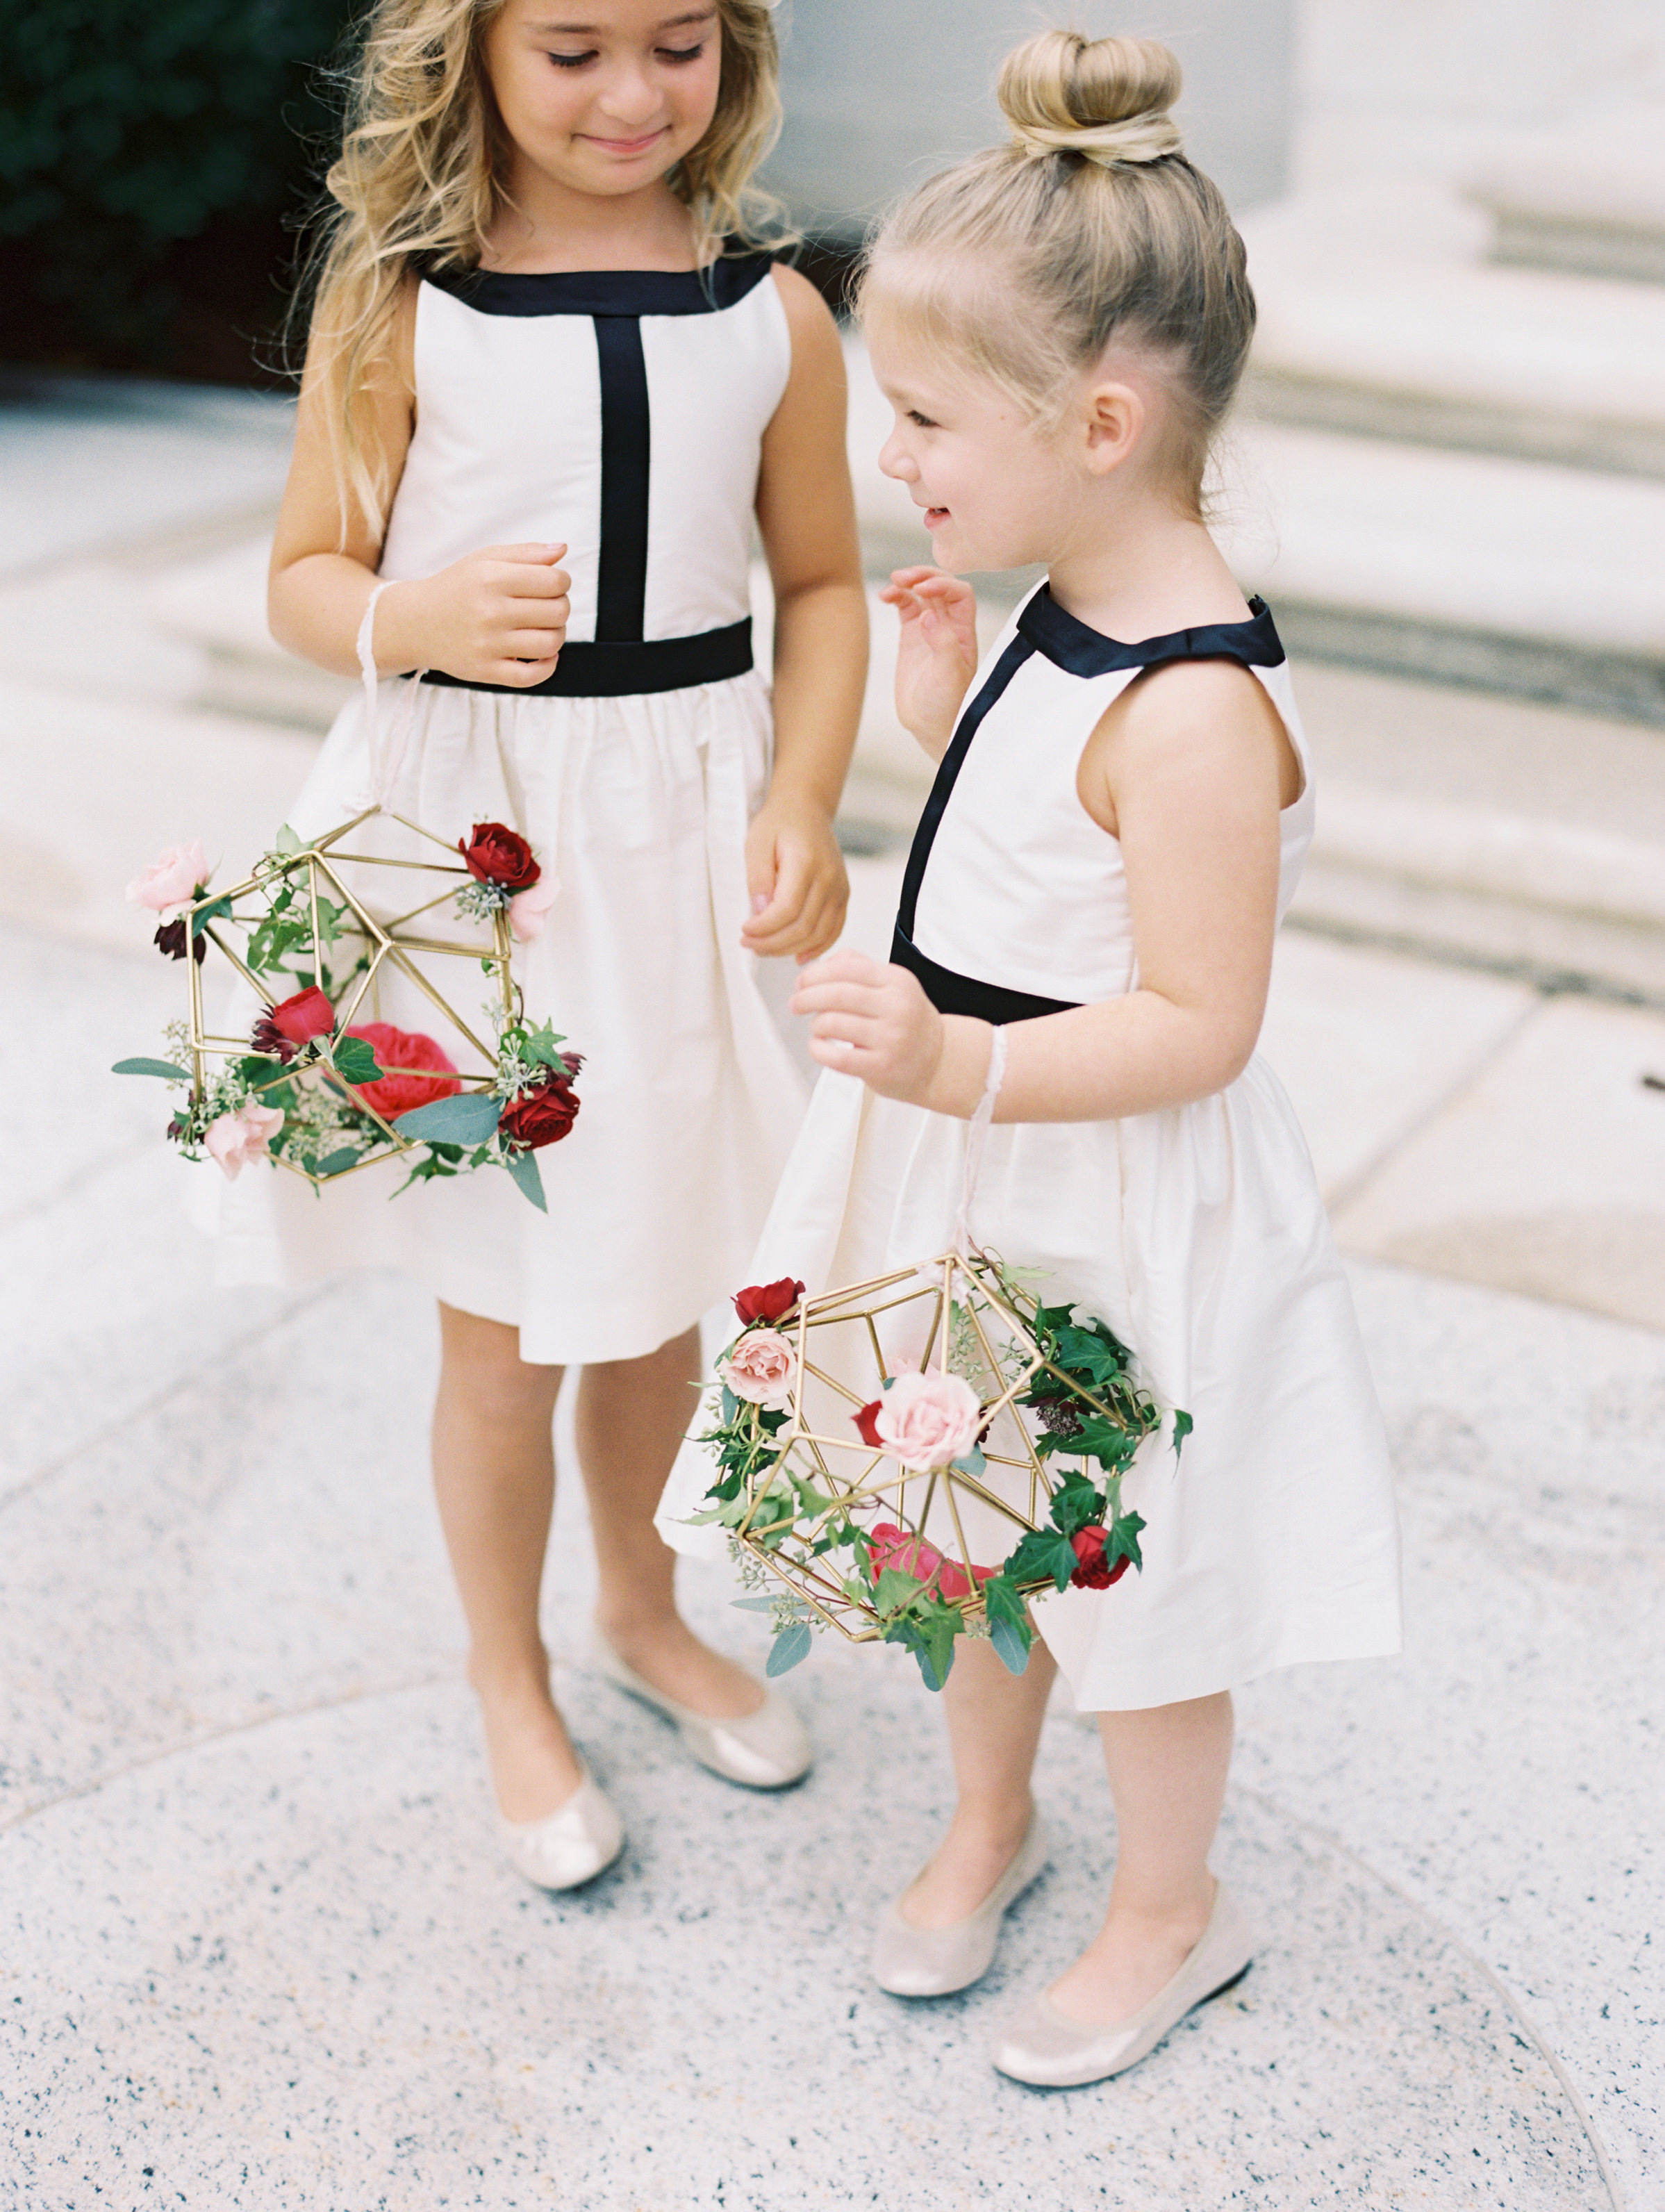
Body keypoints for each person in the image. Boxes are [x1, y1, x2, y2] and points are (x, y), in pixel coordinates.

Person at [662, 28, 1402, 2083]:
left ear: (1099, 416)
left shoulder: (1191, 709)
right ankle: (988, 1813)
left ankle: (1175, 1909)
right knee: (966, 1514)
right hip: (978, 1158)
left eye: (921, 418)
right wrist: (941, 709)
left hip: (1102, 1187)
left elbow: (1196, 1014)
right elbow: (1032, 866)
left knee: (1132, 1570)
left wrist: (950, 1065)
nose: (894, 456)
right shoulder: (1065, 607)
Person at [224, 0, 867, 1891]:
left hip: (679, 840)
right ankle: (508, 1675)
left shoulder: (776, 317)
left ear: (734, 53)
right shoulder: (406, 300)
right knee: (502, 1316)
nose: (629, 95)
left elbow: (819, 585)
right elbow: (300, 577)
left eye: (677, 47)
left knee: (663, 1275)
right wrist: (408, 609)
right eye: (574, 47)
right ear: (478, 49)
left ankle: (641, 1610)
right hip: (480, 859)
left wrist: (809, 800)